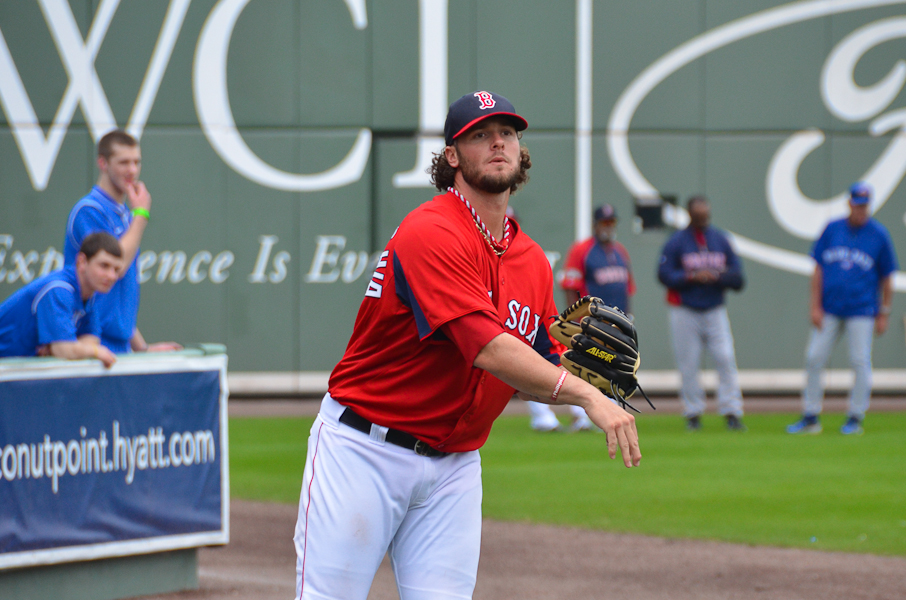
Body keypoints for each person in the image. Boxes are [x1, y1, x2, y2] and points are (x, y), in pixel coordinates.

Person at [292, 91, 641, 600]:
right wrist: (588, 398)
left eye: (508, 133)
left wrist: (589, 373)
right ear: (452, 156)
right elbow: (489, 348)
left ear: (521, 151)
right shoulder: (430, 230)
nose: (497, 142)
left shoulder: (531, 261)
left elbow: (540, 362)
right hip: (365, 450)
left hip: (455, 465)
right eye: (480, 134)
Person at [787, 182, 898, 435]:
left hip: (862, 309)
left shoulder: (878, 234)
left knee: (860, 361)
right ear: (849, 203)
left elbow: (887, 276)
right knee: (814, 357)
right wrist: (814, 305)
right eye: (858, 205)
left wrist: (884, 312)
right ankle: (810, 415)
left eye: (865, 206)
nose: (861, 210)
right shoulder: (832, 228)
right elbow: (818, 269)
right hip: (830, 307)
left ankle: (855, 416)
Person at [63, 129, 181, 354]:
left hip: (120, 347)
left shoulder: (125, 214)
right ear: (103, 163)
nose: (132, 170)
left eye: (137, 162)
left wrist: (142, 348)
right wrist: (141, 216)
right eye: (124, 162)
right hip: (90, 342)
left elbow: (116, 296)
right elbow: (115, 267)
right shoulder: (89, 210)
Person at [526, 203, 638, 432]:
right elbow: (570, 285)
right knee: (585, 367)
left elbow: (627, 287)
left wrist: (628, 318)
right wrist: (576, 319)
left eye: (612, 222)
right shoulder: (582, 250)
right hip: (592, 322)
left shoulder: (620, 252)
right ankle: (582, 416)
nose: (608, 227)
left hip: (616, 323)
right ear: (595, 225)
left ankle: (610, 412)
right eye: (604, 223)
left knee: (613, 368)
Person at [657, 195, 746, 431]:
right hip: (685, 309)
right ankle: (693, 413)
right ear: (690, 215)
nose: (702, 218)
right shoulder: (676, 241)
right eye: (698, 215)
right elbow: (664, 274)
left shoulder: (720, 239)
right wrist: (691, 276)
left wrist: (717, 276)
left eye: (704, 214)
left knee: (726, 358)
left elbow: (738, 279)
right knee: (689, 364)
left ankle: (732, 411)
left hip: (715, 308)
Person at [0, 232, 120, 367]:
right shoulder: (59, 289)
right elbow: (64, 350)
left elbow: (91, 339)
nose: (111, 276)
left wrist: (66, 348)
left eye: (116, 269)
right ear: (82, 262)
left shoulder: (90, 295)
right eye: (104, 266)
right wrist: (93, 351)